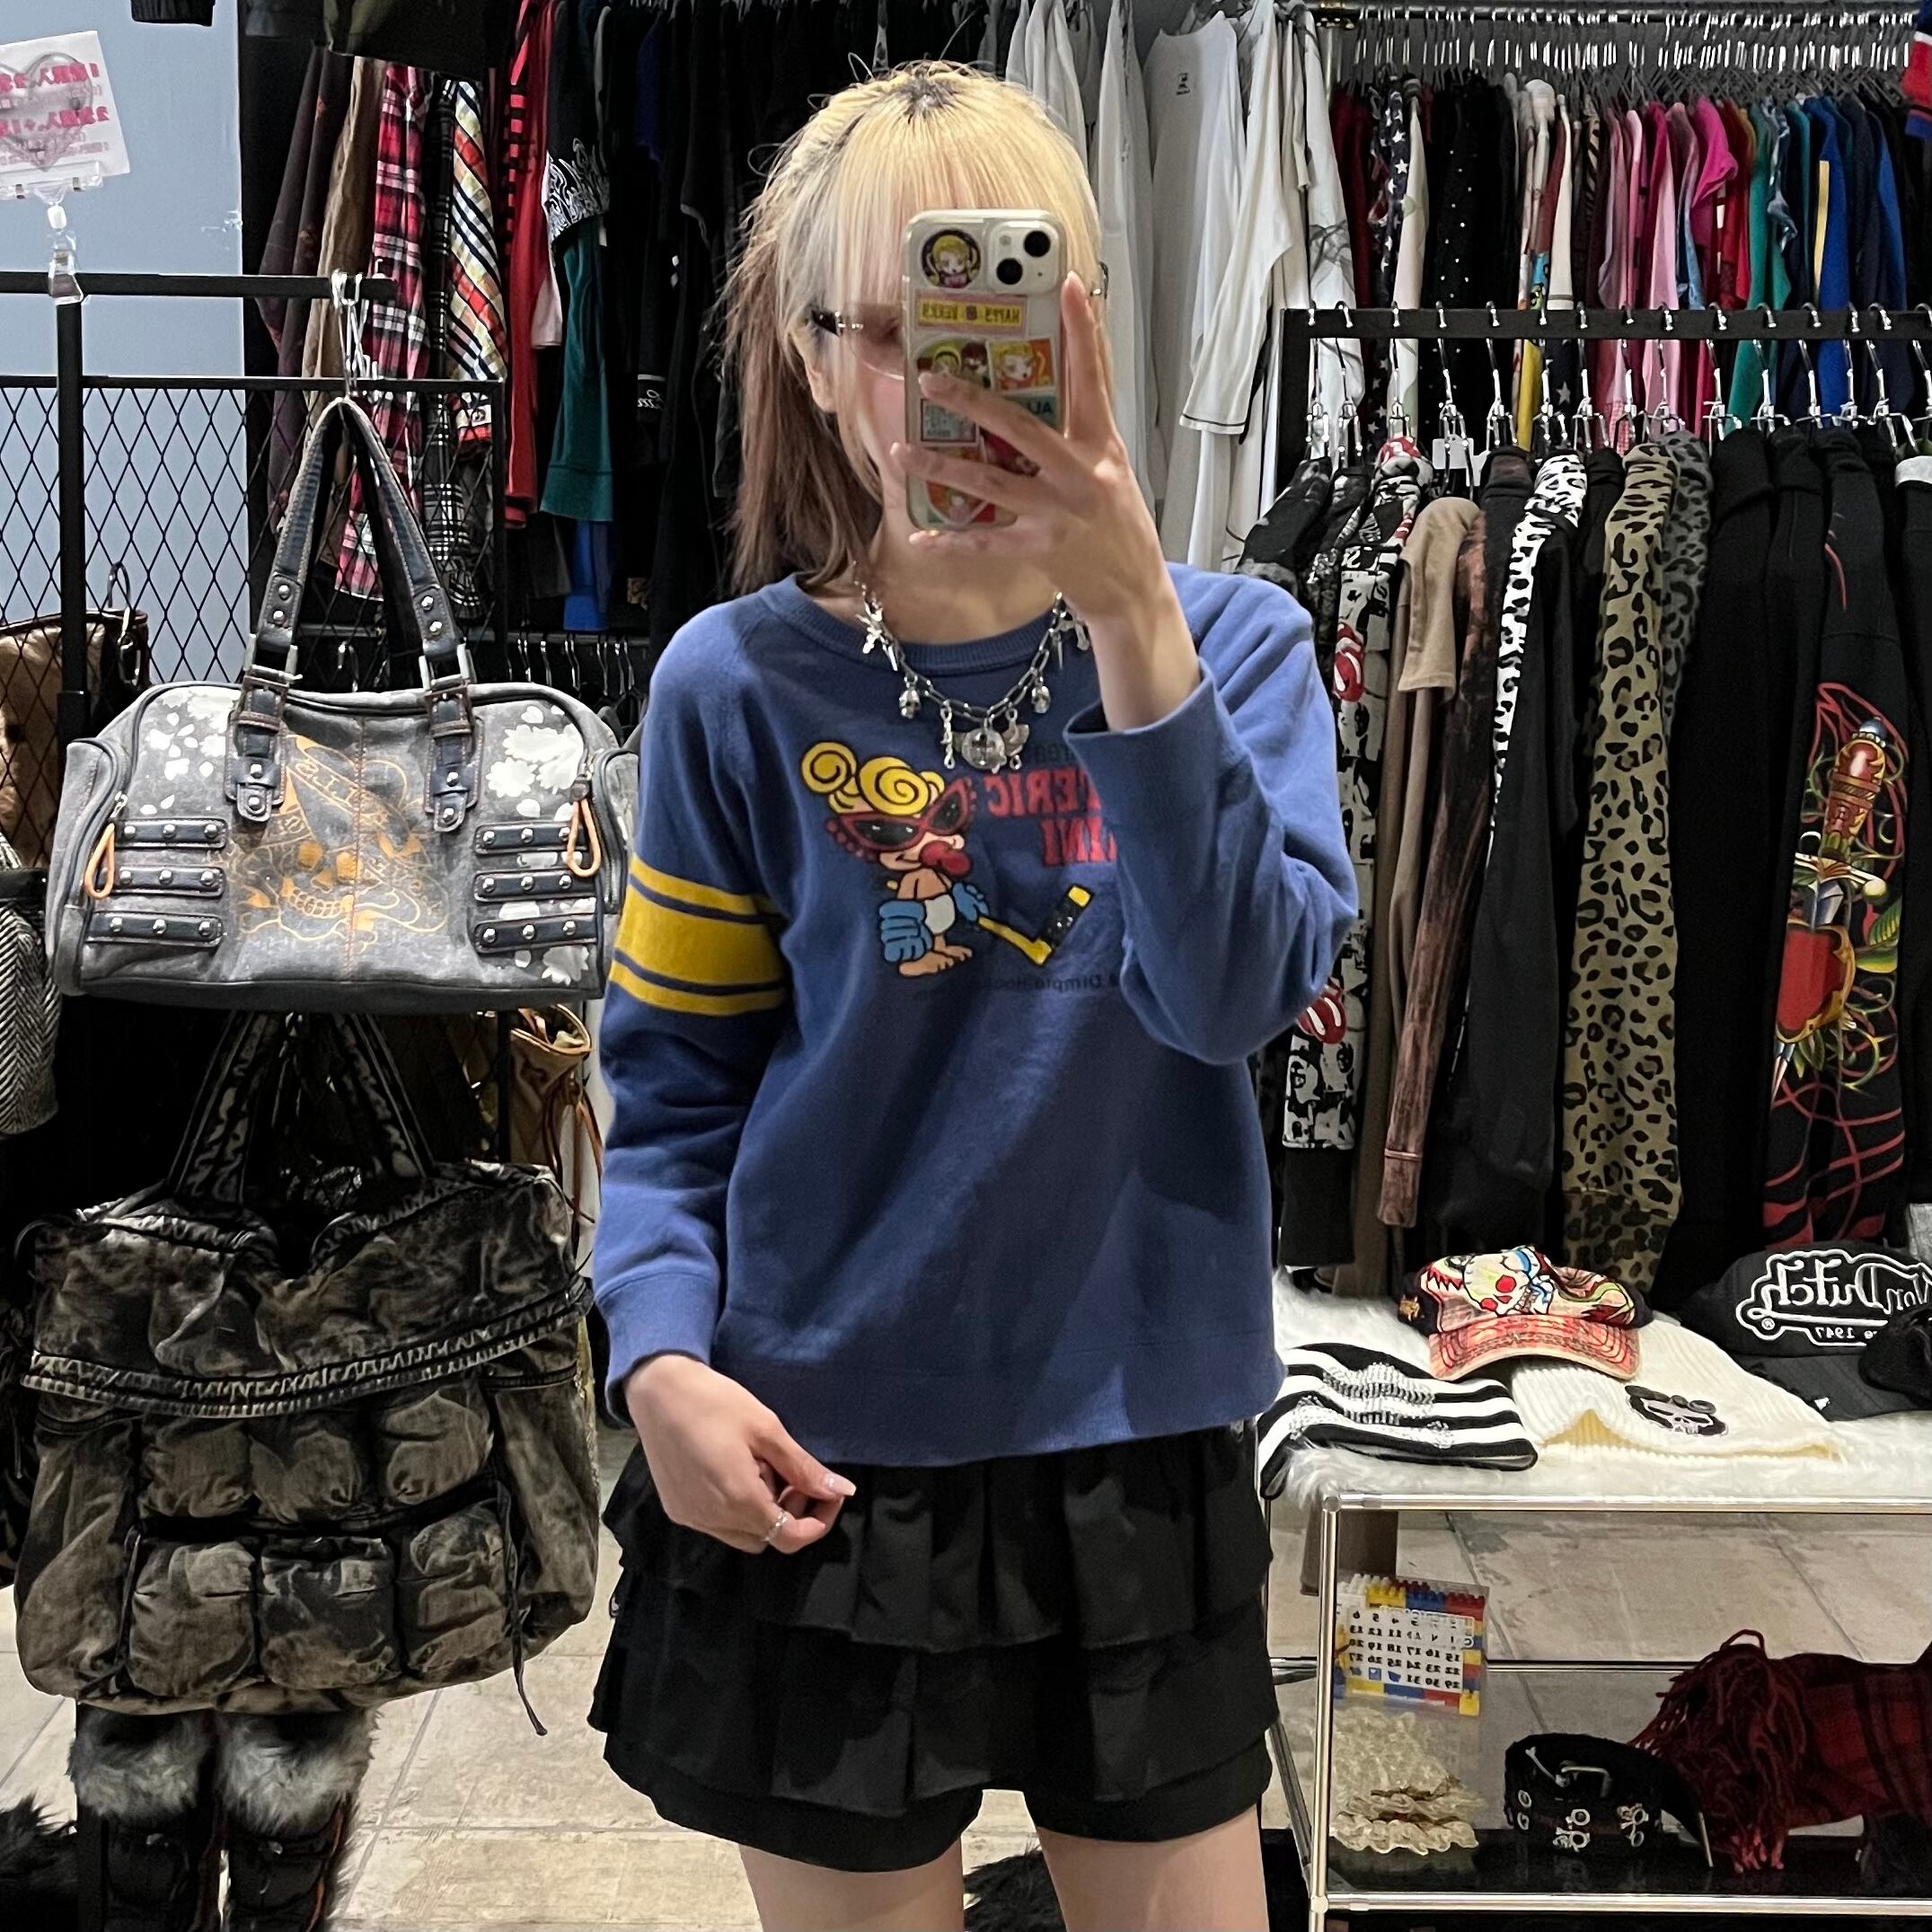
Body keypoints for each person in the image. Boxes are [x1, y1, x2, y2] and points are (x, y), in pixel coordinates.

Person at [589, 61, 1354, 1932]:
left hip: (1135, 1426)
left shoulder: (1234, 645)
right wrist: (657, 1354)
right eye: (888, 328)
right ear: (804, 353)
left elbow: (1233, 997)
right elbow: (673, 1086)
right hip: (821, 1445)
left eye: (987, 317)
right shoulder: (732, 687)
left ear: (1073, 324)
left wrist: (1131, 622)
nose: (937, 380)